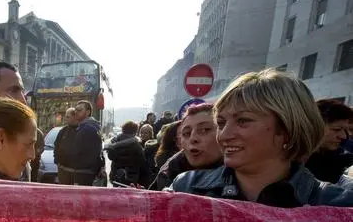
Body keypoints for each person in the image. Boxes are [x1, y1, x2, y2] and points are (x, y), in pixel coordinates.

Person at [169, 69, 353, 207]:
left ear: (287, 128)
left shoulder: (338, 206)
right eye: (221, 122)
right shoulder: (186, 188)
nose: (224, 135)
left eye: (242, 121)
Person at [150, 103, 222, 190]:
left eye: (204, 130)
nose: (193, 138)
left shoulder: (240, 178)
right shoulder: (169, 171)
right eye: (186, 133)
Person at [305, 99, 353, 183]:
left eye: (346, 130)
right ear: (314, 126)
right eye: (336, 129)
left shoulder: (331, 157)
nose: (344, 136)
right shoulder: (296, 165)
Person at [66, 100, 103, 186]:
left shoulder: (87, 129)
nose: (76, 112)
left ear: (88, 112)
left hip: (83, 173)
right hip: (86, 171)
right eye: (75, 110)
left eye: (79, 110)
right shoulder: (87, 127)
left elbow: (77, 152)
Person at [105, 121, 151, 187]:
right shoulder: (136, 145)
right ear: (135, 131)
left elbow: (110, 156)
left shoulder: (115, 141)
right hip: (131, 179)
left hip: (116, 176)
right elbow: (142, 162)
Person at [54, 108, 78, 185]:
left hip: (76, 172)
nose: (65, 119)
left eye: (68, 117)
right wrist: (57, 161)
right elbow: (56, 145)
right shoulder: (63, 131)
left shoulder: (81, 130)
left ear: (74, 117)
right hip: (63, 170)